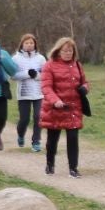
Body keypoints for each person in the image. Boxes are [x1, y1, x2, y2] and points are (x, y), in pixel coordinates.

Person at [38, 36, 89, 177]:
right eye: (65, 51)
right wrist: (55, 100)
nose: (68, 53)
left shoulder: (77, 65)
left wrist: (85, 88)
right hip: (55, 108)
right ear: (58, 51)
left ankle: (73, 168)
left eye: (70, 51)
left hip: (73, 108)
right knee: (52, 139)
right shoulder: (49, 65)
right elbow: (46, 87)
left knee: (73, 138)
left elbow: (85, 82)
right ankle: (50, 163)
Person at [11, 34, 47, 151]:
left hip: (39, 93)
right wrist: (27, 73)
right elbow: (13, 75)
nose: (29, 45)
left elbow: (46, 75)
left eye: (31, 43)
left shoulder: (41, 58)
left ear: (35, 44)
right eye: (26, 43)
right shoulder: (15, 58)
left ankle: (36, 142)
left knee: (38, 116)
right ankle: (20, 135)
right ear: (22, 44)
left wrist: (36, 75)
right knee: (24, 119)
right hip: (23, 94)